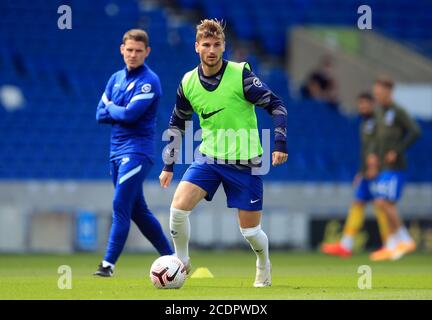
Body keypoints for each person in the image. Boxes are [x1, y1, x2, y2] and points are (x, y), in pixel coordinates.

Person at [159, 19, 288, 287]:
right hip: (209, 158)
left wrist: (279, 143)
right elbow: (177, 122)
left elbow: (276, 105)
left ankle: (263, 263)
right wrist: (169, 164)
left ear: (224, 46)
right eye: (206, 44)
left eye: (217, 45)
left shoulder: (241, 75)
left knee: (250, 232)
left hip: (245, 162)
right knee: (178, 209)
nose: (212, 50)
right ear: (197, 47)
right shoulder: (188, 82)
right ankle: (182, 261)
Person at [94, 29, 173, 277]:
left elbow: (129, 115)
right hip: (115, 152)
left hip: (138, 151)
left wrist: (112, 108)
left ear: (147, 52)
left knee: (120, 204)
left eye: (139, 51)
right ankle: (174, 259)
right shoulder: (115, 78)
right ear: (122, 49)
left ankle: (107, 265)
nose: (133, 54)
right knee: (138, 211)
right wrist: (118, 110)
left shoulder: (150, 80)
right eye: (129, 50)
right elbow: (99, 115)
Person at [321, 92, 390, 258]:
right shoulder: (366, 123)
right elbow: (367, 151)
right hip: (367, 171)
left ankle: (390, 244)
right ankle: (346, 244)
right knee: (358, 203)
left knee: (381, 205)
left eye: (365, 104)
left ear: (372, 104)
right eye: (360, 104)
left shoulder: (379, 122)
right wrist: (361, 171)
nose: (362, 107)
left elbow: (382, 146)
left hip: (377, 170)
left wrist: (376, 166)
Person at [368, 76, 421, 261]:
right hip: (383, 166)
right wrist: (373, 155)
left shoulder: (398, 111)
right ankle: (392, 245)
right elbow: (377, 138)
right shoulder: (379, 112)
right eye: (375, 93)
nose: (377, 96)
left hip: (395, 167)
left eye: (380, 93)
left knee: (383, 202)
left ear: (388, 93)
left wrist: (397, 151)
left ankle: (405, 240)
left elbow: (415, 131)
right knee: (381, 203)